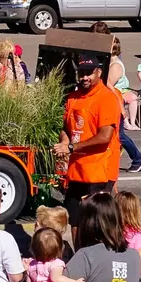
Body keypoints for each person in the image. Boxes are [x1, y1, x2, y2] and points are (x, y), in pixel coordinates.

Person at [53, 51, 123, 239]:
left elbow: (105, 137)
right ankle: (79, 260)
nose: (84, 77)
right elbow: (65, 128)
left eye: (88, 72)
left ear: (98, 72)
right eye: (81, 72)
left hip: (99, 171)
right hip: (77, 170)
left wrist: (71, 148)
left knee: (97, 224)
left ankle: (97, 262)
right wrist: (65, 141)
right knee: (75, 220)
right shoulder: (72, 97)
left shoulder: (107, 98)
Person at [105, 35, 141, 172]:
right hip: (110, 102)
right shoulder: (109, 61)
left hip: (116, 101)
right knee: (110, 134)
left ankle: (138, 159)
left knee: (119, 135)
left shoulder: (116, 65)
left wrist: (122, 107)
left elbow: (109, 85)